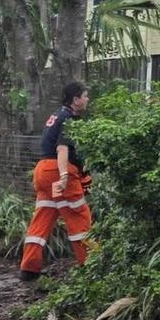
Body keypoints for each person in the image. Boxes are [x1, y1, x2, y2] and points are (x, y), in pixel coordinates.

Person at [19, 81, 94, 281]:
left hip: (42, 170)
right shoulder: (70, 119)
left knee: (42, 218)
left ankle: (29, 269)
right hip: (58, 170)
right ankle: (90, 265)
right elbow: (63, 149)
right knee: (80, 218)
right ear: (76, 100)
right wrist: (64, 177)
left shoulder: (56, 115)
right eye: (85, 96)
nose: (87, 99)